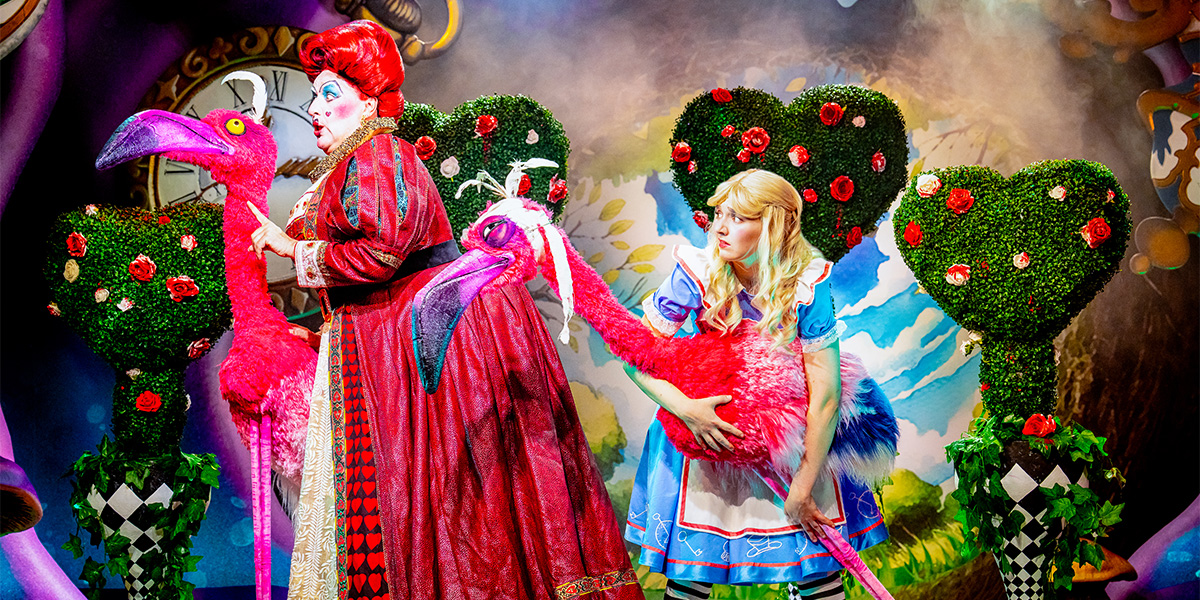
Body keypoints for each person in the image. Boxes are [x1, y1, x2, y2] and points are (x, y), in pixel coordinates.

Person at [248, 20, 642, 600]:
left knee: (450, 503)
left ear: (370, 100)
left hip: (422, 347)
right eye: (314, 96)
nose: (315, 108)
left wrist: (292, 248)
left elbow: (381, 252)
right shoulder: (352, 163)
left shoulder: (381, 153)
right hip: (382, 341)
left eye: (330, 93)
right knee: (419, 502)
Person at [624, 169, 889, 600]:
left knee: (816, 571)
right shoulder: (697, 273)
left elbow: (826, 395)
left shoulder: (807, 285)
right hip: (711, 440)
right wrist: (687, 410)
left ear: (773, 225)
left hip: (791, 445)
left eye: (737, 217)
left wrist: (803, 485)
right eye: (719, 214)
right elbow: (634, 357)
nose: (720, 227)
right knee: (691, 578)